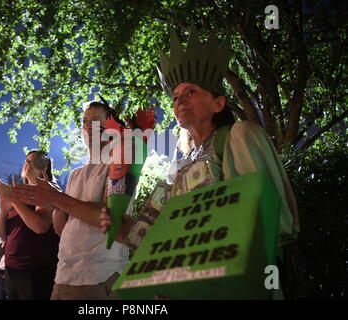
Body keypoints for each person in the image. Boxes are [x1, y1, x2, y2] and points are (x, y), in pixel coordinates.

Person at [100, 26, 300, 297]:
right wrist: (125, 230)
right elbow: (159, 241)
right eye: (175, 96)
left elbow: (272, 220)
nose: (180, 100)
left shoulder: (240, 136)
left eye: (191, 92)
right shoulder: (179, 168)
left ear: (218, 103)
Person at [12, 101, 129, 300]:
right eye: (84, 121)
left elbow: (108, 217)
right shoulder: (75, 174)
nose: (87, 127)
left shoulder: (120, 166)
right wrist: (54, 201)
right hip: (64, 276)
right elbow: (60, 228)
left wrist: (57, 198)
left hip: (98, 276)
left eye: (94, 121)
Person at [0, 150, 60, 300]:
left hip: (36, 270)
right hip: (13, 269)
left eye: (34, 161)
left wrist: (12, 198)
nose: (27, 164)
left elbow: (40, 226)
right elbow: (0, 234)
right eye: (26, 160)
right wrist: (4, 209)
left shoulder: (49, 189)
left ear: (46, 166)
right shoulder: (19, 193)